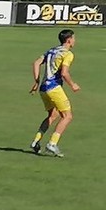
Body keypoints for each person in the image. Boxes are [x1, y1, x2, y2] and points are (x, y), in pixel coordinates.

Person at [29, 29, 81, 157]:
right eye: (74, 38)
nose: (75, 41)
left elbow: (36, 62)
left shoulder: (52, 50)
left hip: (43, 88)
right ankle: (52, 143)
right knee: (67, 116)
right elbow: (64, 73)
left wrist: (36, 81)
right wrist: (73, 85)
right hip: (54, 88)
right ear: (69, 40)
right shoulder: (67, 54)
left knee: (53, 115)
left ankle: (36, 141)